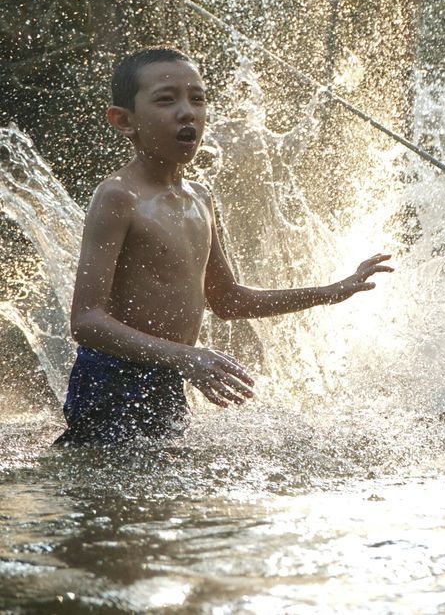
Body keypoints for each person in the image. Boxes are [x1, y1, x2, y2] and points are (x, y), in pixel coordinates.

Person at [60, 47, 392, 446]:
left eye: (197, 99)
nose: (187, 113)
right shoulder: (118, 196)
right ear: (123, 120)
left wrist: (330, 292)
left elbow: (229, 301)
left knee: (162, 500)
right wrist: (186, 356)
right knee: (110, 494)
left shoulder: (200, 199)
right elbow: (87, 321)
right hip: (111, 379)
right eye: (167, 100)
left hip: (167, 378)